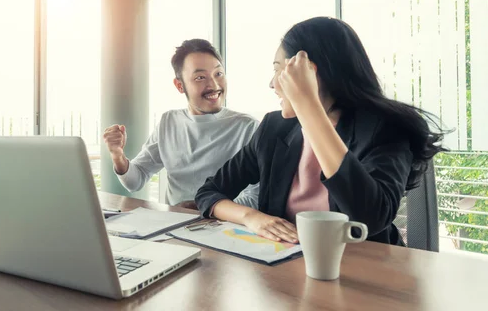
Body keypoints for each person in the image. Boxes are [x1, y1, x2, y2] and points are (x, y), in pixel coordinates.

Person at [195, 17, 446, 245]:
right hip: (287, 269)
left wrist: (309, 108)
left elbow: (370, 218)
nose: (272, 83)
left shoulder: (385, 128)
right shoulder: (273, 128)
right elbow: (210, 192)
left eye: (278, 69)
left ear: (309, 72)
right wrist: (252, 218)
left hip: (366, 273)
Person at [103, 39, 260, 209]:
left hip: (225, 228)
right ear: (180, 86)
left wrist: (203, 208)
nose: (214, 85)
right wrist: (117, 156)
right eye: (200, 77)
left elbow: (256, 197)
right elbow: (135, 180)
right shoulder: (168, 122)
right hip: (173, 226)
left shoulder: (248, 128)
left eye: (218, 74)